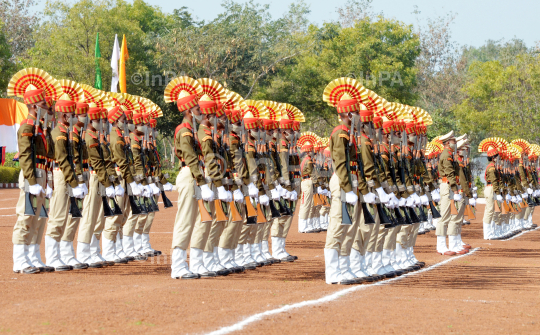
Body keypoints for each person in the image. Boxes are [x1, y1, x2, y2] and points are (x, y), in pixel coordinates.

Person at [435, 130, 459, 255]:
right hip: (446, 185)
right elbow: (449, 173)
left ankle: (445, 245)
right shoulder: (446, 154)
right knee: (444, 216)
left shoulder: (449, 154)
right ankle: (441, 246)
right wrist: (455, 189)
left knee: (447, 216)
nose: (455, 143)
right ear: (448, 143)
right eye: (454, 141)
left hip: (448, 185)